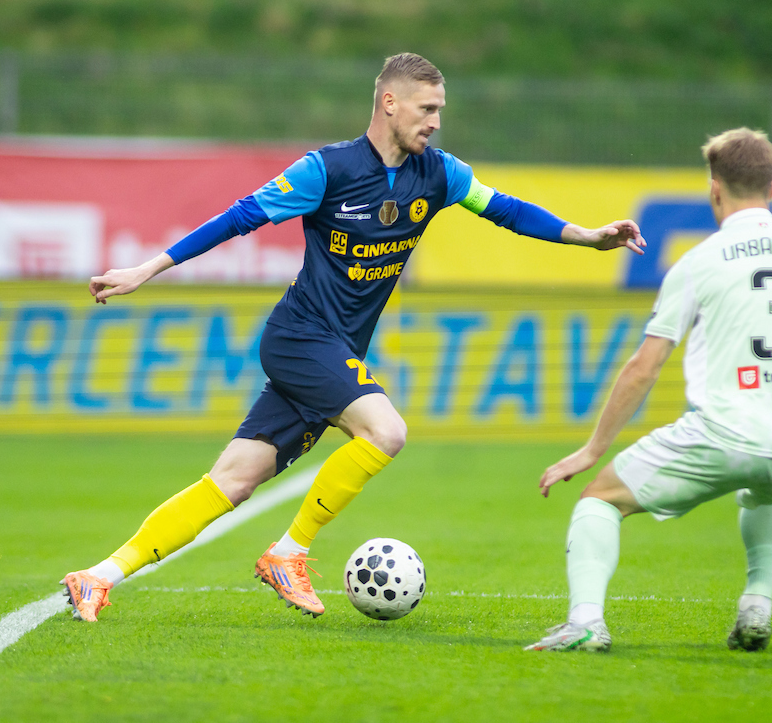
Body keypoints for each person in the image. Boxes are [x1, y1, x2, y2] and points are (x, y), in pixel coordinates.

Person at [60, 52, 647, 622]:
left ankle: (99, 576)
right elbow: (238, 218)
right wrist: (146, 270)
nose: (435, 121)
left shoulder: (440, 174)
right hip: (300, 338)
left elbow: (508, 211)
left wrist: (588, 237)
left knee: (234, 480)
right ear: (389, 103)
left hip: (336, 350)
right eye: (426, 108)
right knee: (387, 431)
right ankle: (287, 553)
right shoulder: (326, 170)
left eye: (439, 110)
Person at [525, 128, 772, 653]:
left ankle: (586, 623)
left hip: (724, 434)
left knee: (600, 500)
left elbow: (643, 368)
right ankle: (756, 605)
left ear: (714, 189)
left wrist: (592, 450)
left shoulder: (701, 261)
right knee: (767, 488)